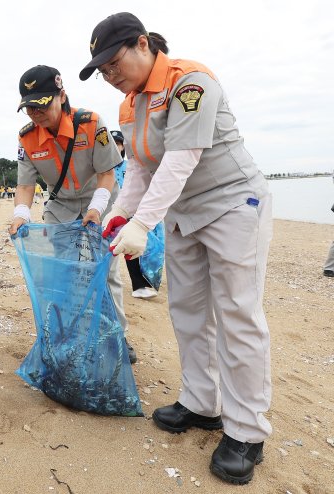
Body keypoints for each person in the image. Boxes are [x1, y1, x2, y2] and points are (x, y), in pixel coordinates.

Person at [80, 12, 273, 484]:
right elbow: (142, 171)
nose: (109, 75)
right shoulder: (130, 105)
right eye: (101, 70)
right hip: (184, 214)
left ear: (142, 44)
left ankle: (247, 431)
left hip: (232, 203)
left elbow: (182, 160)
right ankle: (202, 403)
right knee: (186, 309)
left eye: (113, 62)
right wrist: (120, 216)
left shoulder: (191, 82)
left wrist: (144, 222)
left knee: (237, 314)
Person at [8, 64, 135, 364]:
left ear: (61, 95)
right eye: (29, 108)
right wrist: (21, 214)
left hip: (100, 201)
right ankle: (67, 332)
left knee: (106, 273)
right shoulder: (27, 138)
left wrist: (96, 208)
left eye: (42, 105)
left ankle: (117, 333)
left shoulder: (90, 124)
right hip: (61, 208)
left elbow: (107, 173)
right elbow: (25, 185)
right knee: (63, 273)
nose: (36, 114)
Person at [110, 130, 159, 299]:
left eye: (118, 143)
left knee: (132, 244)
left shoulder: (129, 166)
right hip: (110, 212)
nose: (116, 147)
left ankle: (140, 283)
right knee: (110, 246)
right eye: (112, 143)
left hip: (132, 210)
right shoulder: (102, 168)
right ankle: (137, 284)